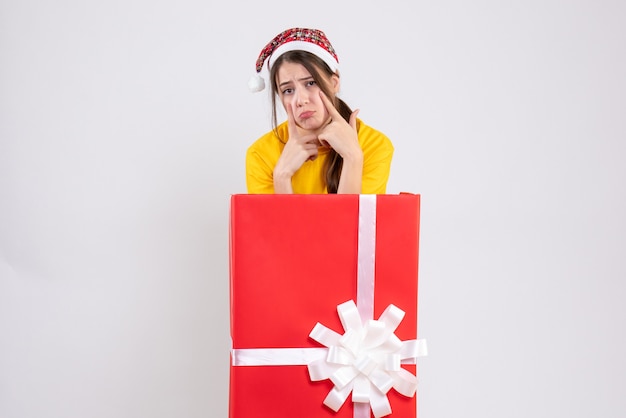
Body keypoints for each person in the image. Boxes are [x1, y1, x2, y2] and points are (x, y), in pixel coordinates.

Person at [246, 28, 393, 194]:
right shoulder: (260, 154)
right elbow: (270, 221)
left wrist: (352, 158)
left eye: (310, 83)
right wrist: (282, 177)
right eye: (288, 90)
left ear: (334, 83)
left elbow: (352, 221)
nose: (301, 100)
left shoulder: (374, 145)